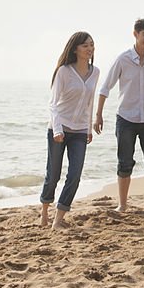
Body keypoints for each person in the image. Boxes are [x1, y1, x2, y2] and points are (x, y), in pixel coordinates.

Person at [94, 18, 144, 215]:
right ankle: (122, 205)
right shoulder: (123, 59)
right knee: (125, 163)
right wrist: (98, 115)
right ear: (135, 34)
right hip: (126, 119)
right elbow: (104, 88)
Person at [40, 31, 99, 229]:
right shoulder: (64, 71)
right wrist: (57, 129)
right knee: (53, 175)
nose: (89, 49)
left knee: (75, 174)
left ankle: (58, 220)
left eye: (91, 45)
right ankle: (45, 211)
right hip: (60, 128)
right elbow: (53, 104)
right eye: (85, 46)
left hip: (80, 130)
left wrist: (89, 127)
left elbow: (90, 102)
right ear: (75, 49)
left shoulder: (95, 72)